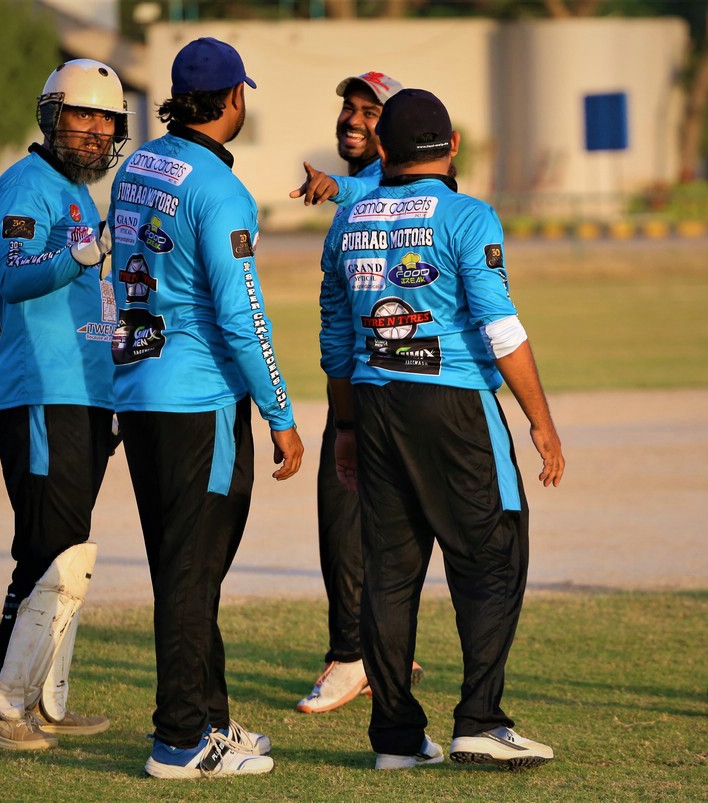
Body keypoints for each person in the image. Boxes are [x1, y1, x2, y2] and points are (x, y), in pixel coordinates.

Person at [319, 88, 564, 771]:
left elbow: (336, 340)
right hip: (454, 405)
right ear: (452, 146)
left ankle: (396, 738)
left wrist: (345, 427)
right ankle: (481, 720)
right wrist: (541, 421)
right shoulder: (468, 215)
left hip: (373, 405)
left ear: (384, 149)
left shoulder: (348, 219)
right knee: (494, 553)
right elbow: (500, 326)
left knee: (391, 572)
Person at [107, 37, 304, 780]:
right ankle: (180, 739)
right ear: (233, 99)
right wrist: (280, 413)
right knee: (193, 574)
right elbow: (243, 316)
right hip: (200, 402)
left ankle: (211, 719)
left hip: (139, 389)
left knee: (182, 569)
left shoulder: (137, 166)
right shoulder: (221, 190)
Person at [0, 58, 131, 751]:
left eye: (106, 121)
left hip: (86, 394)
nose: (94, 131)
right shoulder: (22, 187)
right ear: (51, 117)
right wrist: (79, 255)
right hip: (41, 391)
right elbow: (14, 275)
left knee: (66, 552)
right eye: (81, 115)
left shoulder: (79, 195)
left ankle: (40, 700)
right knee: (44, 550)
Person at [290, 71, 428, 716]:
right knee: (379, 521)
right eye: (349, 107)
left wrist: (333, 186)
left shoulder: (385, 187)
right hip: (378, 380)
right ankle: (385, 646)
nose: (353, 118)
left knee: (344, 519)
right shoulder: (383, 187)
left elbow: (365, 189)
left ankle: (352, 654)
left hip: (373, 385)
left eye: (371, 112)